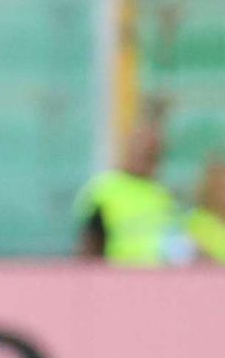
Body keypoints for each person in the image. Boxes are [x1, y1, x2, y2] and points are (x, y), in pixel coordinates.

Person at [75, 108, 189, 265]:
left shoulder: (162, 195)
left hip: (159, 281)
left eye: (153, 154)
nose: (146, 157)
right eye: (142, 150)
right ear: (128, 148)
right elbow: (90, 244)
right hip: (118, 279)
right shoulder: (104, 190)